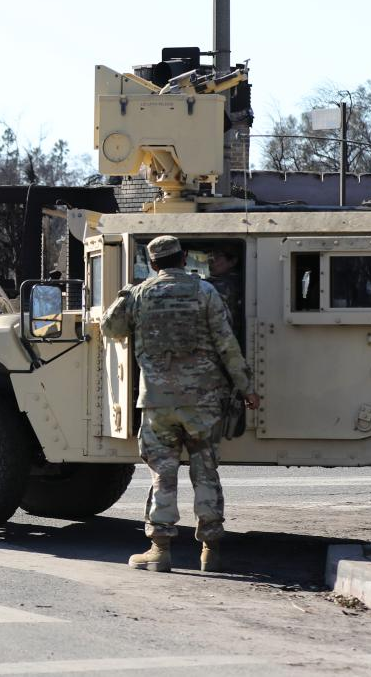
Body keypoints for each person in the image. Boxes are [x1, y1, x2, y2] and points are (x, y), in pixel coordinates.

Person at [101, 235, 259, 573]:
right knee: (206, 471)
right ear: (184, 258)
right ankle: (210, 552)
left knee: (163, 474)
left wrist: (126, 293)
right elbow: (227, 344)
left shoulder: (140, 294)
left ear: (153, 263)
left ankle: (159, 550)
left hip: (158, 403)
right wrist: (246, 388)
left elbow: (110, 329)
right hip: (203, 402)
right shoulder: (205, 292)